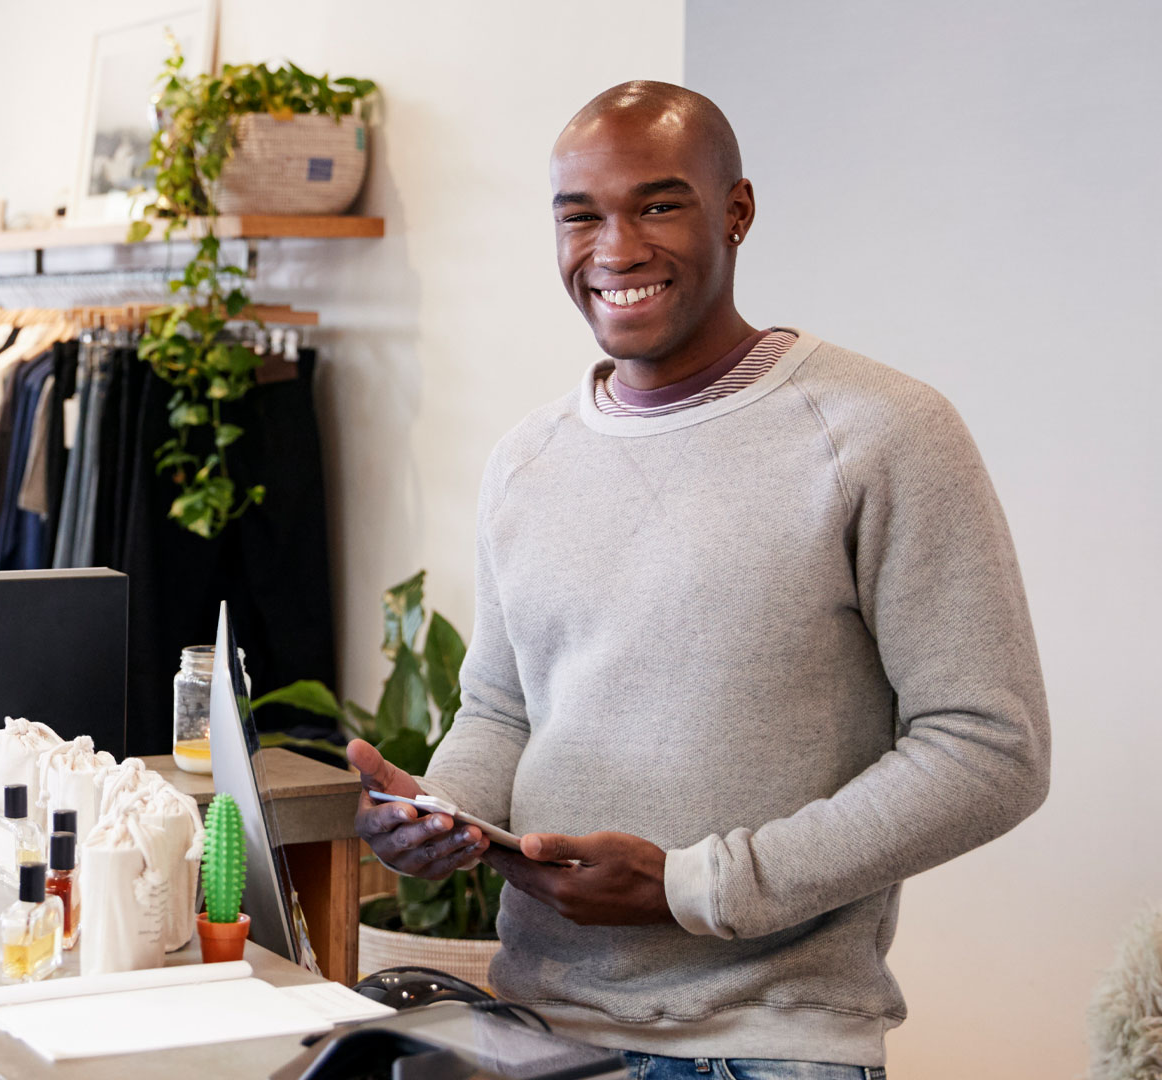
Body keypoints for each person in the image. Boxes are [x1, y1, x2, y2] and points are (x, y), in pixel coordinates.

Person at [350, 80, 1050, 1077]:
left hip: (767, 1050)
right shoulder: (527, 459)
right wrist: (440, 814)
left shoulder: (882, 432)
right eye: (580, 215)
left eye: (659, 204)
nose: (616, 249)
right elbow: (502, 709)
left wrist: (697, 886)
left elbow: (992, 750)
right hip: (539, 1035)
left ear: (737, 212)